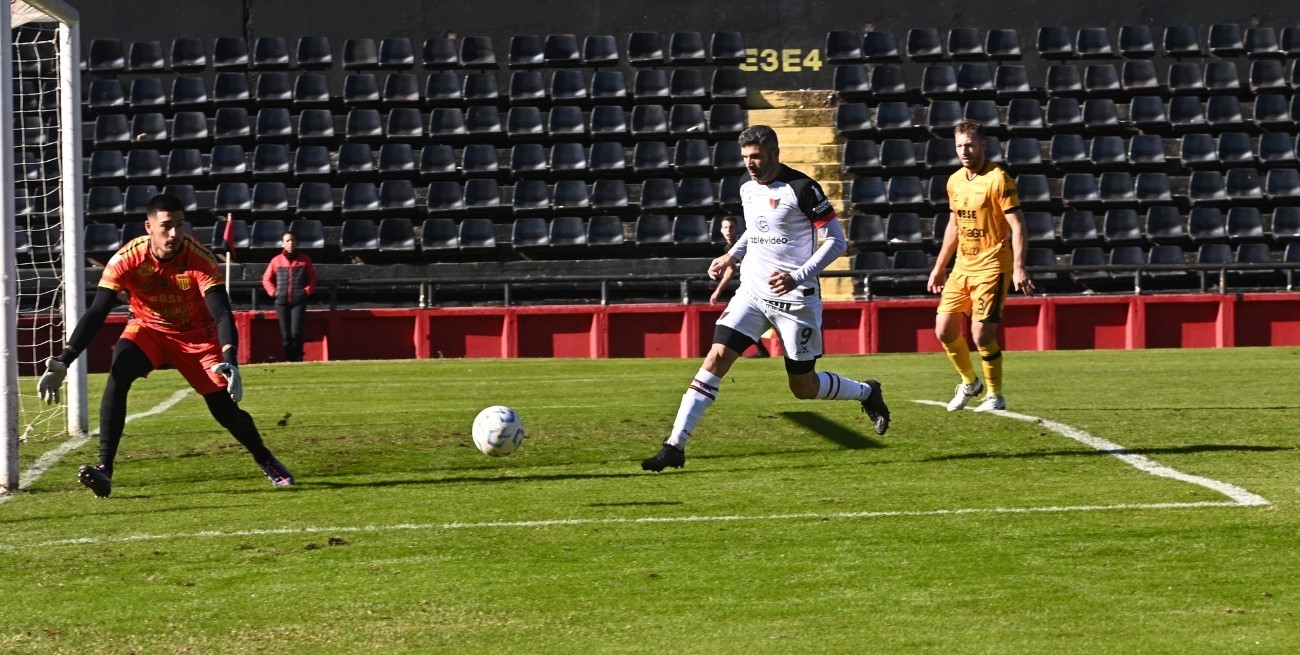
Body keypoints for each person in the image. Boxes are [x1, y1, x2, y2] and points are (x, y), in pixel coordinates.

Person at [641, 125, 890, 472]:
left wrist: (797, 275)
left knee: (803, 387)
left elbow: (836, 241)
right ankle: (675, 445)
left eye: (755, 156)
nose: (750, 164)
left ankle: (866, 392)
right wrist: (732, 255)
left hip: (795, 300)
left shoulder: (803, 188)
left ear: (774, 152)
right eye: (745, 158)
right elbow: (757, 233)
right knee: (715, 359)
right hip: (753, 294)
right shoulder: (747, 189)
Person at [37, 194, 294, 497]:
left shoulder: (199, 258)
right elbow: (97, 312)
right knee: (119, 372)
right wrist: (65, 360)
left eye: (180, 225)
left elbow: (222, 312)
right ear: (149, 227)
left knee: (225, 411)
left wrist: (230, 359)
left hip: (196, 337)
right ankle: (104, 469)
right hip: (149, 330)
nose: (175, 234)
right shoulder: (126, 258)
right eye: (167, 226)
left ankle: (264, 457)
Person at [927, 119, 1035, 413]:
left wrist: (1020, 266)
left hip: (992, 266)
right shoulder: (954, 181)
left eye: (970, 144)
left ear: (983, 145)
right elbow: (954, 225)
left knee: (981, 335)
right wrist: (940, 267)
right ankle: (969, 382)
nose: (965, 150)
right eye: (960, 145)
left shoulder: (999, 179)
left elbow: (1018, 225)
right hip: (962, 267)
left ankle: (995, 395)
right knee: (944, 330)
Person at [708, 214, 770, 358]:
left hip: (762, 282)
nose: (728, 230)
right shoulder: (728, 248)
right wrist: (718, 291)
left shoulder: (746, 243)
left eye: (731, 227)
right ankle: (761, 350)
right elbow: (730, 271)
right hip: (751, 285)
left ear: (737, 229)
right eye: (725, 227)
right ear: (721, 230)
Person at [261, 231, 317, 362]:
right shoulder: (276, 260)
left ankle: (297, 358)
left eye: (292, 240)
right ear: (282, 244)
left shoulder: (304, 259)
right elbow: (266, 279)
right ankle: (290, 359)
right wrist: (274, 292)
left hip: (298, 301)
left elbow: (312, 278)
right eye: (287, 241)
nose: (290, 243)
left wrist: (307, 291)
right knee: (286, 335)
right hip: (281, 302)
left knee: (296, 332)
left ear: (296, 243)